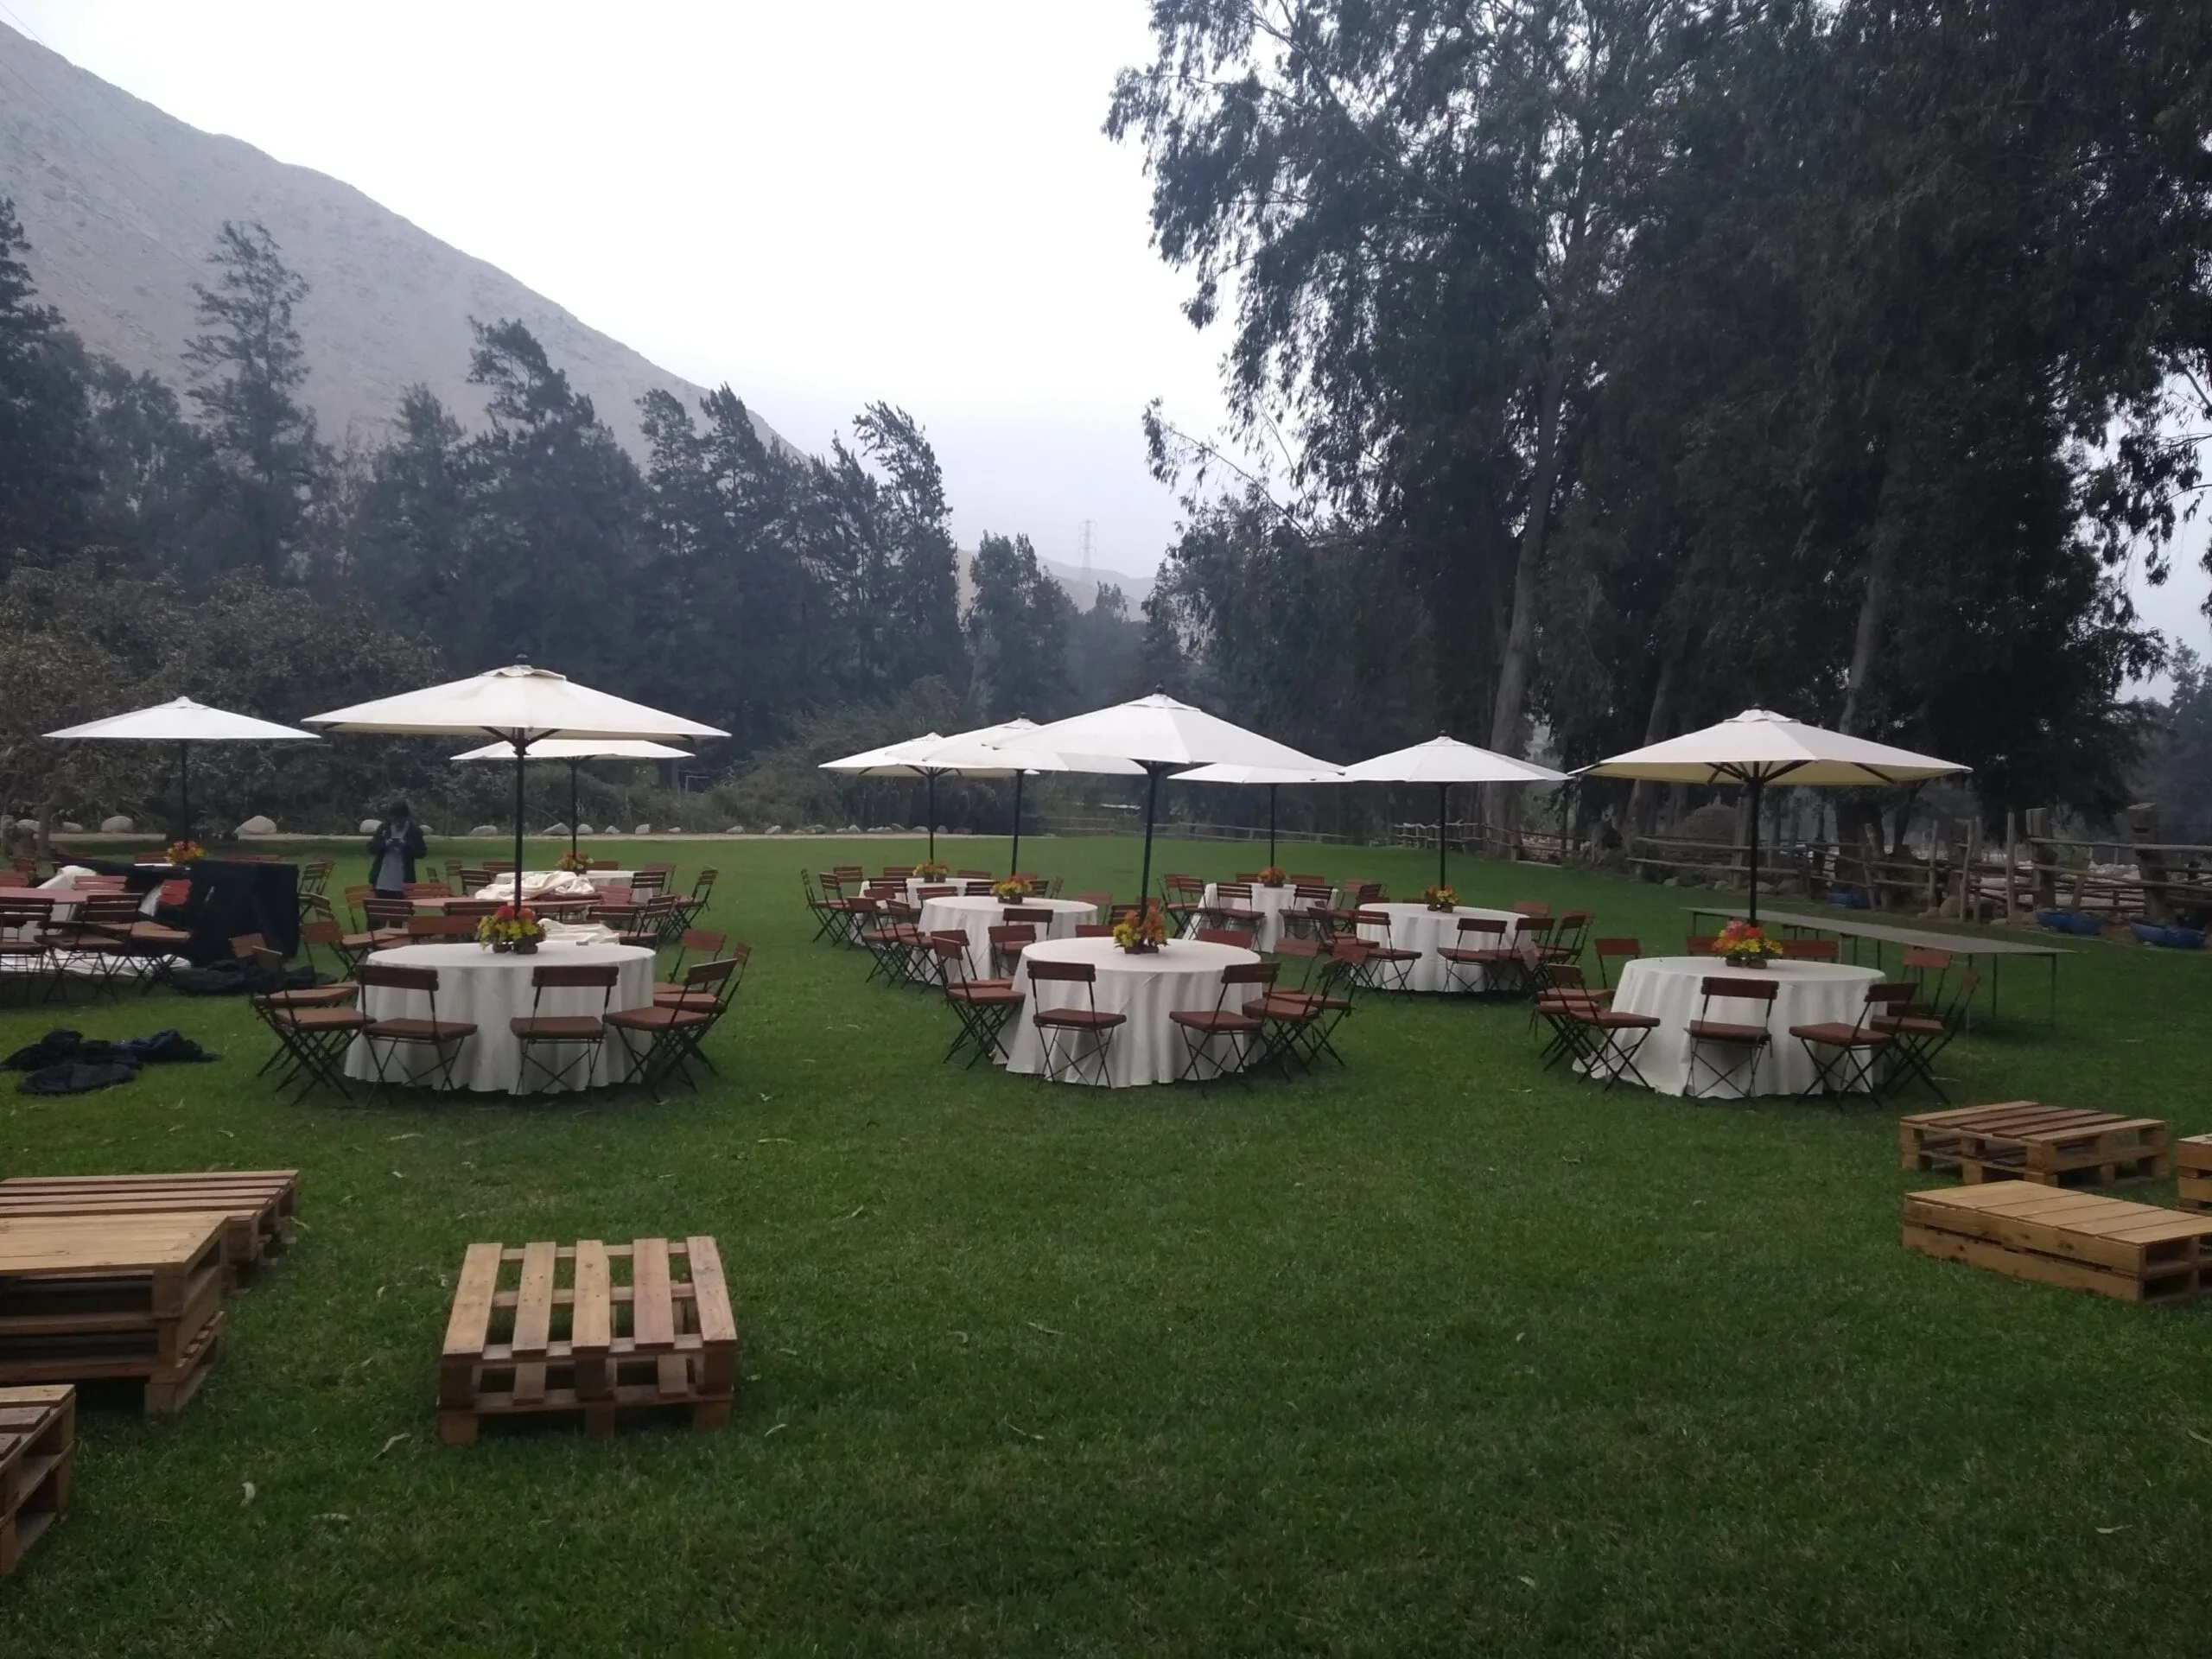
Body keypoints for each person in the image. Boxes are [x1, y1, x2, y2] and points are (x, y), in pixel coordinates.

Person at [368, 801, 426, 896]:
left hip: (403, 881)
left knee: (401, 909)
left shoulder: (414, 831)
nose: (398, 822)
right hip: (381, 880)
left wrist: (405, 846)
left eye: (401, 819)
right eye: (395, 819)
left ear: (406, 817)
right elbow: (372, 848)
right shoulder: (384, 828)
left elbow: (421, 852)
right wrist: (385, 845)